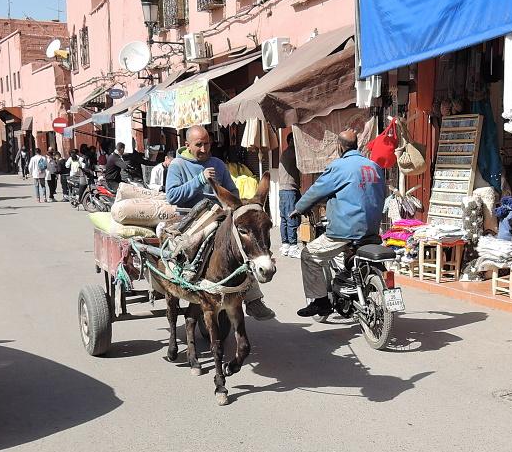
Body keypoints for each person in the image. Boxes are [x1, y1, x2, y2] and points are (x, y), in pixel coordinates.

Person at [165, 125, 275, 321]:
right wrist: (199, 179)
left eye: (207, 144)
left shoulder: (218, 163)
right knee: (194, 244)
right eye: (199, 144)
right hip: (189, 216)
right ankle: (190, 278)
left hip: (219, 214)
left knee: (242, 245)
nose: (204, 149)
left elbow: (233, 191)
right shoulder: (178, 165)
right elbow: (172, 196)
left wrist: (231, 202)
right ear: (187, 145)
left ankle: (253, 298)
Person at [290, 130, 386, 317]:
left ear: (339, 147)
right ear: (357, 144)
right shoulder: (374, 167)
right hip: (372, 229)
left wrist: (299, 208)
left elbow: (317, 190)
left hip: (345, 230)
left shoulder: (339, 167)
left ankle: (320, 301)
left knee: (309, 255)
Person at [279, 133, 302, 259]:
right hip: (288, 190)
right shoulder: (292, 152)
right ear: (291, 141)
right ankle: (293, 246)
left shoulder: (286, 153)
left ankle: (286, 245)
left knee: (284, 218)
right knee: (291, 217)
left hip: (284, 189)